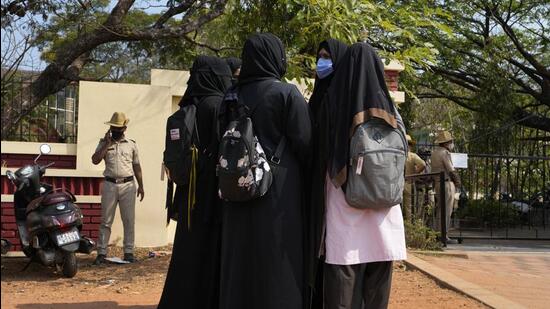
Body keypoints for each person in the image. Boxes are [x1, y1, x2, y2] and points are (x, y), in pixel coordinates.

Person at [218, 33, 312, 309]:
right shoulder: (286, 93)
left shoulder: (230, 96)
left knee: (239, 257)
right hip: (278, 192)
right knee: (277, 258)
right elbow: (305, 141)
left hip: (234, 187)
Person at [320, 42, 407, 309]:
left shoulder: (334, 104)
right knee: (379, 276)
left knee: (343, 273)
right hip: (385, 206)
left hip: (345, 201)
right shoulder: (392, 112)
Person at [157, 56, 232, 309]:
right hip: (214, 195)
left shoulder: (186, 109)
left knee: (187, 254)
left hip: (188, 195)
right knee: (213, 252)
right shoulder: (219, 106)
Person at [307, 38, 348, 308]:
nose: (322, 62)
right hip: (314, 183)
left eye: (327, 57)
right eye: (320, 56)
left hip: (335, 185)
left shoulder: (343, 98)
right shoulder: (317, 96)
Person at [92, 112, 144, 264]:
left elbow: (137, 166)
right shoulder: (104, 142)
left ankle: (128, 252)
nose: (115, 130)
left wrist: (141, 186)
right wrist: (107, 144)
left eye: (118, 127)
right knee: (106, 221)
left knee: (128, 220)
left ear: (124, 128)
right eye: (113, 127)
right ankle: (101, 253)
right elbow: (95, 160)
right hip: (109, 185)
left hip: (128, 185)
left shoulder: (132, 144)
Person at [430, 130, 461, 243]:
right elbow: (451, 169)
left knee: (440, 210)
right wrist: (458, 183)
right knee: (447, 211)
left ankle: (438, 234)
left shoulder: (434, 153)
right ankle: (444, 236)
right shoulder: (445, 153)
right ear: (447, 142)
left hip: (438, 183)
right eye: (451, 141)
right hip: (447, 184)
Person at [403, 134, 426, 221]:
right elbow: (423, 164)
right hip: (409, 183)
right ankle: (409, 228)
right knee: (409, 208)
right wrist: (415, 173)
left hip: (397, 184)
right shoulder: (412, 156)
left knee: (397, 207)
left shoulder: (398, 155)